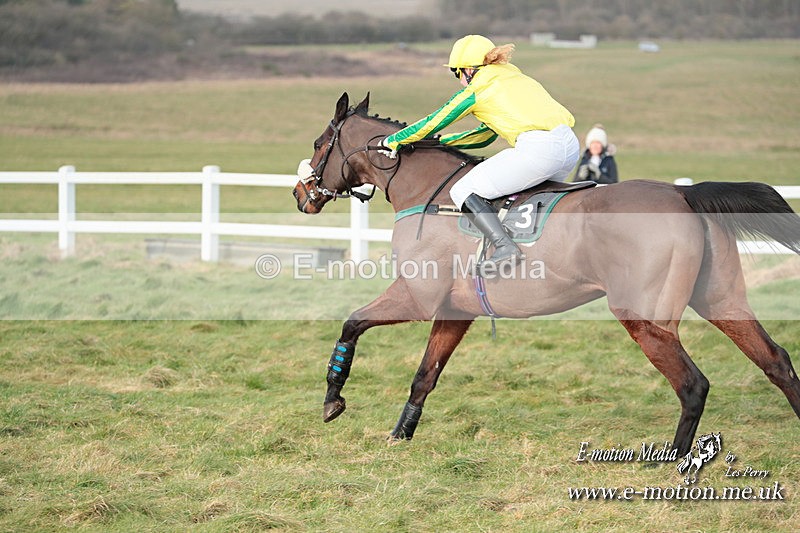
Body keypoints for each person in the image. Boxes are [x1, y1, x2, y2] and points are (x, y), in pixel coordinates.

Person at [380, 35, 579, 268]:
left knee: (463, 189)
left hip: (540, 150)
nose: (459, 80)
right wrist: (442, 142)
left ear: (467, 70)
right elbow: (485, 135)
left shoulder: (478, 88)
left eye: (456, 73)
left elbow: (435, 120)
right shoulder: (514, 77)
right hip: (569, 146)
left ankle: (505, 249)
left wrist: (394, 140)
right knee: (523, 202)